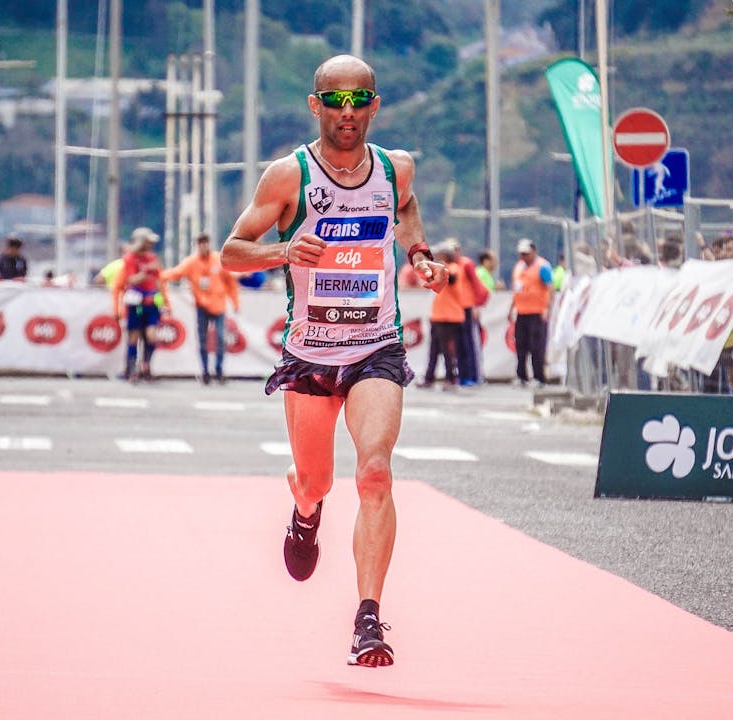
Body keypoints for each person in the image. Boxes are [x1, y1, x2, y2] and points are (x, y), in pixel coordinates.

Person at [220, 54, 448, 668]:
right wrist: (283, 251)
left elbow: (405, 211)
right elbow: (231, 252)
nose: (347, 113)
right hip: (310, 356)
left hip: (376, 345)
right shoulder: (287, 176)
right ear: (315, 105)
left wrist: (421, 255)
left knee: (375, 473)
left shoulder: (395, 169)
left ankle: (368, 618)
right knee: (318, 477)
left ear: (375, 106)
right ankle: (305, 509)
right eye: (334, 101)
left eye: (359, 101)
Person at [162, 232, 240, 384]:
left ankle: (219, 370)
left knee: (220, 339)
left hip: (219, 306)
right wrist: (160, 276)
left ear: (209, 244)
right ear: (196, 246)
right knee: (203, 341)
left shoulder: (218, 260)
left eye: (206, 243)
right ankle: (205, 371)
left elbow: (231, 283)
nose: (203, 246)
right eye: (200, 243)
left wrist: (235, 303)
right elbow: (176, 273)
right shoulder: (191, 262)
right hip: (201, 308)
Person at [111, 227, 168, 381]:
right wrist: (145, 272)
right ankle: (131, 368)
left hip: (151, 303)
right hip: (135, 303)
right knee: (133, 337)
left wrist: (164, 302)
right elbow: (130, 279)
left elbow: (159, 281)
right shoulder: (130, 258)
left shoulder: (153, 258)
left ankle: (146, 366)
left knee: (151, 336)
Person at [509, 238, 554, 387]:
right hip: (522, 312)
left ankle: (539, 377)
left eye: (526, 254)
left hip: (537, 312)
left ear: (534, 252)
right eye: (521, 254)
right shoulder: (518, 267)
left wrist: (548, 308)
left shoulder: (543, 266)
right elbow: (516, 290)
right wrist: (511, 309)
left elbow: (550, 288)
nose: (524, 257)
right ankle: (521, 376)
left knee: (537, 346)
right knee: (520, 345)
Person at [420, 243, 463, 389]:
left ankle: (451, 378)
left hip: (449, 317)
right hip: (439, 316)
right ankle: (429, 378)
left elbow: (452, 279)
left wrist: (439, 266)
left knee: (447, 350)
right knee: (434, 350)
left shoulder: (453, 268)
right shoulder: (444, 268)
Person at [445, 238, 488, 386]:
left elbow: (477, 285)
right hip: (455, 311)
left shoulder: (466, 264)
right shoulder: (448, 266)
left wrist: (477, 305)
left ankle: (474, 376)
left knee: (470, 344)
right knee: (459, 345)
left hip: (468, 308)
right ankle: (463, 376)